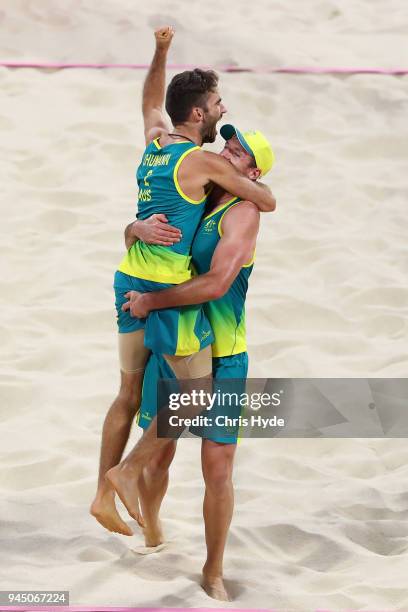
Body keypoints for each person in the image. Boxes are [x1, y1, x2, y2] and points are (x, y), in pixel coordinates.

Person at [90, 26, 276, 537]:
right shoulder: (202, 162)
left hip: (125, 274)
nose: (221, 110)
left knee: (127, 395)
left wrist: (161, 51)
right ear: (198, 114)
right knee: (192, 398)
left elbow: (150, 100)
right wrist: (246, 178)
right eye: (216, 103)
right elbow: (266, 199)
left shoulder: (155, 140)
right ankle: (123, 476)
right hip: (163, 291)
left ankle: (102, 494)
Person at [108, 125, 275, 601]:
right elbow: (143, 243)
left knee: (217, 470)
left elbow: (218, 284)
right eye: (227, 144)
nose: (226, 150)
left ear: (253, 172)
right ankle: (153, 527)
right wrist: (134, 229)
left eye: (238, 152)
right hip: (180, 337)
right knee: (161, 452)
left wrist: (150, 303)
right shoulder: (198, 193)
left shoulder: (243, 212)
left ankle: (214, 570)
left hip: (223, 352)